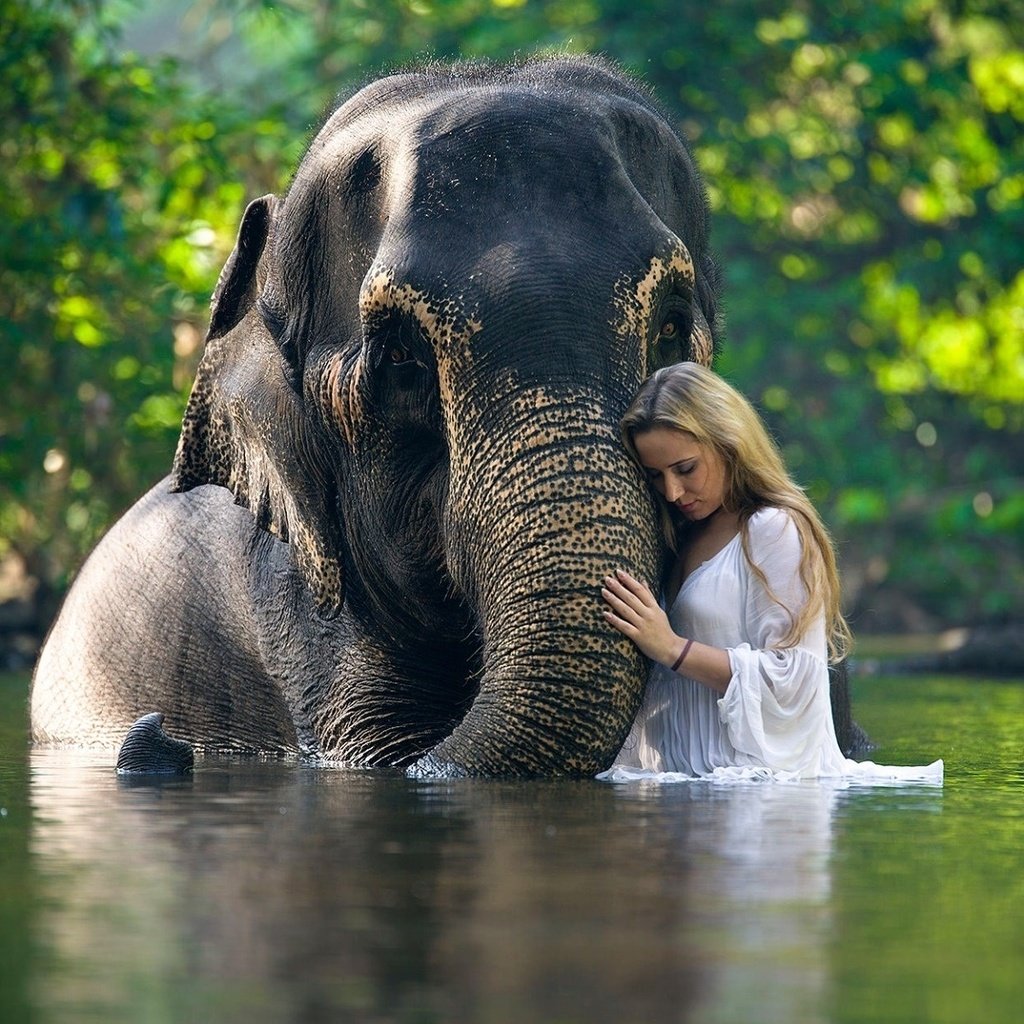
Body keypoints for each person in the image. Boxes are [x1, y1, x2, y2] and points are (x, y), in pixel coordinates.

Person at [599, 362, 942, 783]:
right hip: (685, 791)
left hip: (765, 799)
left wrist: (672, 649)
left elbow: (796, 677)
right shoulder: (677, 536)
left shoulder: (772, 528)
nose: (672, 491)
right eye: (656, 476)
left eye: (686, 469)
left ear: (729, 442)